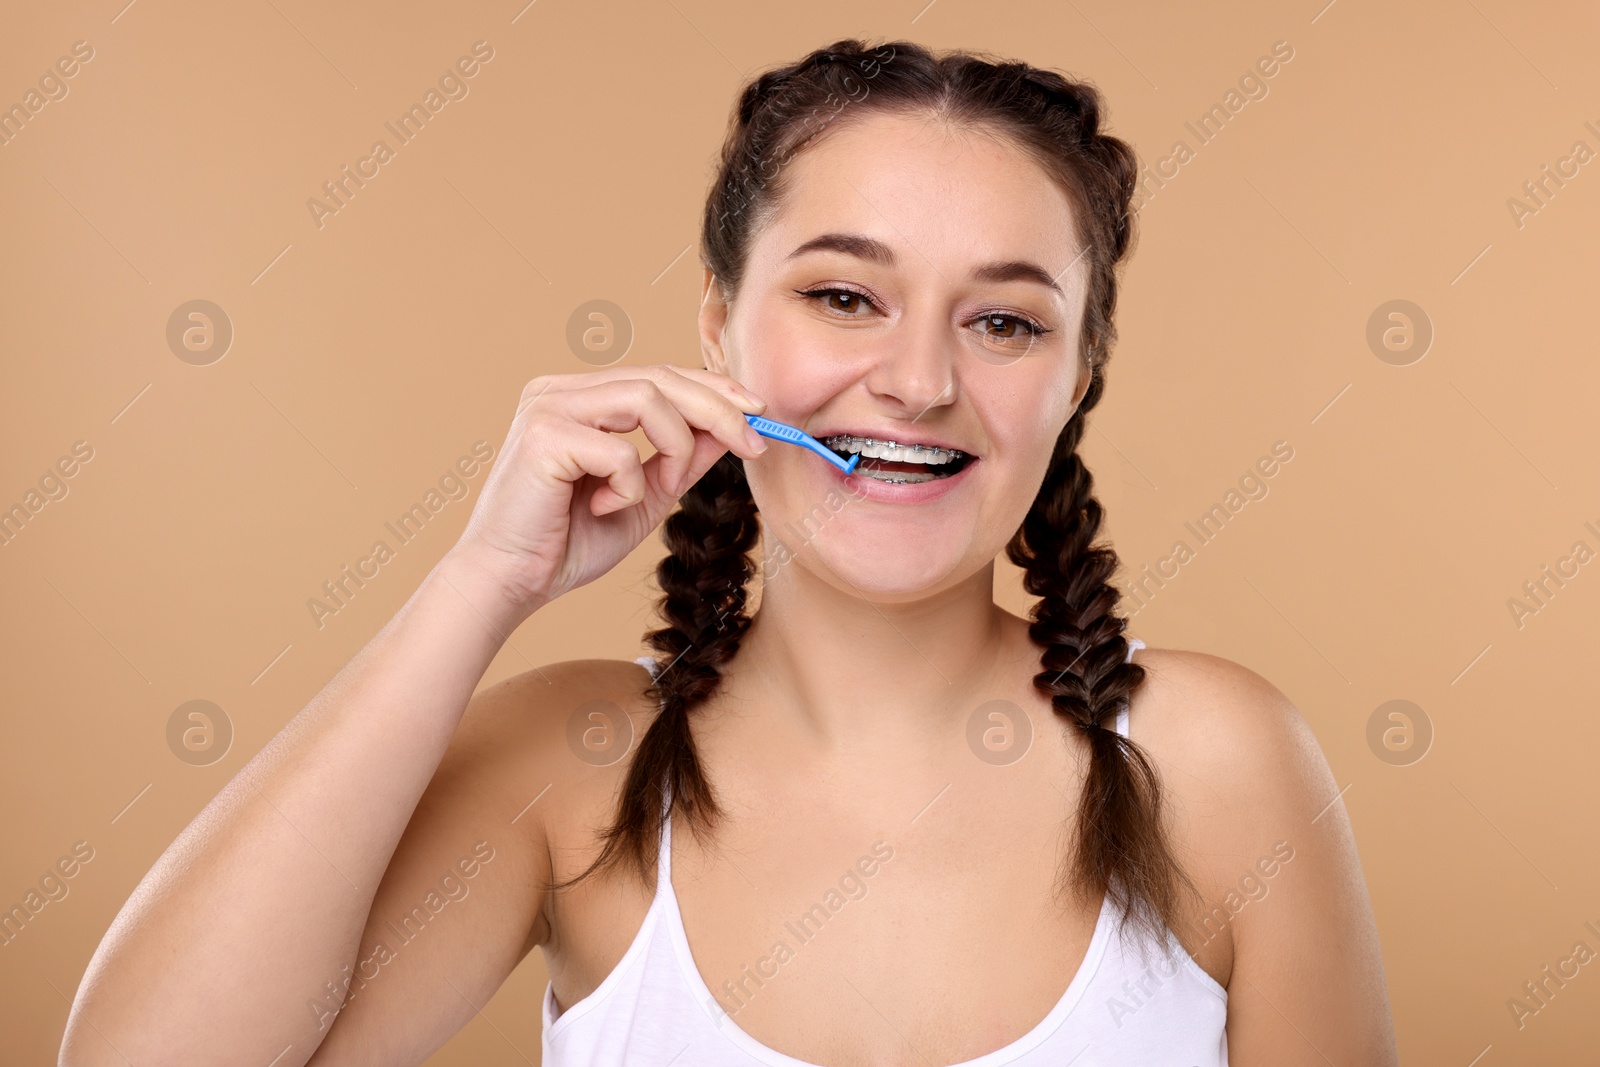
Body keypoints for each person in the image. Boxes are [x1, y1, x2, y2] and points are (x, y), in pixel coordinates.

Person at [63, 38, 1397, 1067]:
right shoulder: (571, 771)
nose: (920, 381)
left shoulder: (1218, 760)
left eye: (1005, 322)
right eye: (841, 297)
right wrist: (482, 585)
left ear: (1080, 372)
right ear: (719, 329)